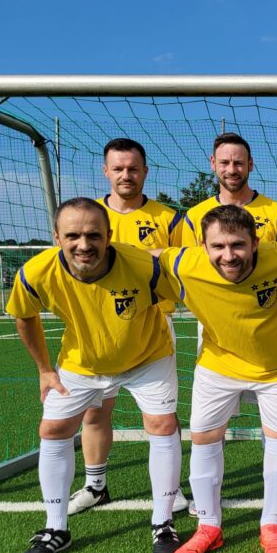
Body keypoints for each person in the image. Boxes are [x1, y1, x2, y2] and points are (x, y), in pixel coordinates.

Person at [7, 198, 182, 553]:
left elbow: (191, 288)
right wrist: (44, 370)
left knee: (162, 424)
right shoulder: (35, 273)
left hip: (148, 356)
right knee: (53, 429)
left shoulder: (143, 266)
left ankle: (163, 522)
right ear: (57, 237)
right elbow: (24, 316)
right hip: (81, 361)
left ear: (109, 235)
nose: (83, 244)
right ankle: (56, 528)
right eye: (72, 236)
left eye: (93, 235)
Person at [157, 205, 277, 553]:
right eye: (218, 246)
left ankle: (272, 524)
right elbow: (143, 256)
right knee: (204, 439)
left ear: (255, 243)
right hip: (218, 366)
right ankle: (209, 526)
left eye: (238, 245)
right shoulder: (184, 263)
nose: (228, 255)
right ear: (202, 247)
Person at [66, 138, 189, 516]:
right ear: (105, 171)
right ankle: (95, 485)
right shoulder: (88, 215)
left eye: (133, 169)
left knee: (160, 417)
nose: (126, 175)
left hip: (151, 327)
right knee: (95, 412)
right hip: (96, 328)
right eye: (118, 168)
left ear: (145, 172)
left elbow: (183, 266)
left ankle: (170, 488)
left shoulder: (168, 218)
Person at [180, 132, 277, 246]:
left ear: (250, 164)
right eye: (224, 163)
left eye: (238, 163)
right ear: (213, 163)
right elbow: (189, 259)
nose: (232, 170)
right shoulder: (194, 217)